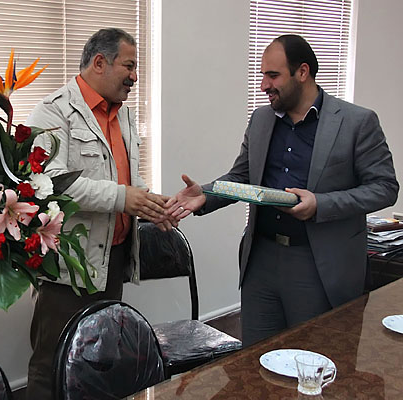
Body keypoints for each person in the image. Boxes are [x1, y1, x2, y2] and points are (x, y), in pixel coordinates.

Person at [167, 34, 398, 347]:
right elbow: (242, 176)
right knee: (255, 359)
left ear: (302, 72)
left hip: (318, 263)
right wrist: (206, 195)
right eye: (263, 75)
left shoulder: (357, 122)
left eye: (273, 75)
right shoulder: (261, 119)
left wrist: (321, 204)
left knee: (314, 359)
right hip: (261, 261)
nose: (264, 85)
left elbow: (385, 188)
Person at [25, 28, 171, 398]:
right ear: (100, 62)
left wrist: (154, 204)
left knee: (100, 360)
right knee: (52, 364)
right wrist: (124, 198)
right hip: (69, 266)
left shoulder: (124, 115)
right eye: (129, 66)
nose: (135, 76)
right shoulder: (53, 111)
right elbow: (51, 184)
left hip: (113, 259)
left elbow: (127, 178)